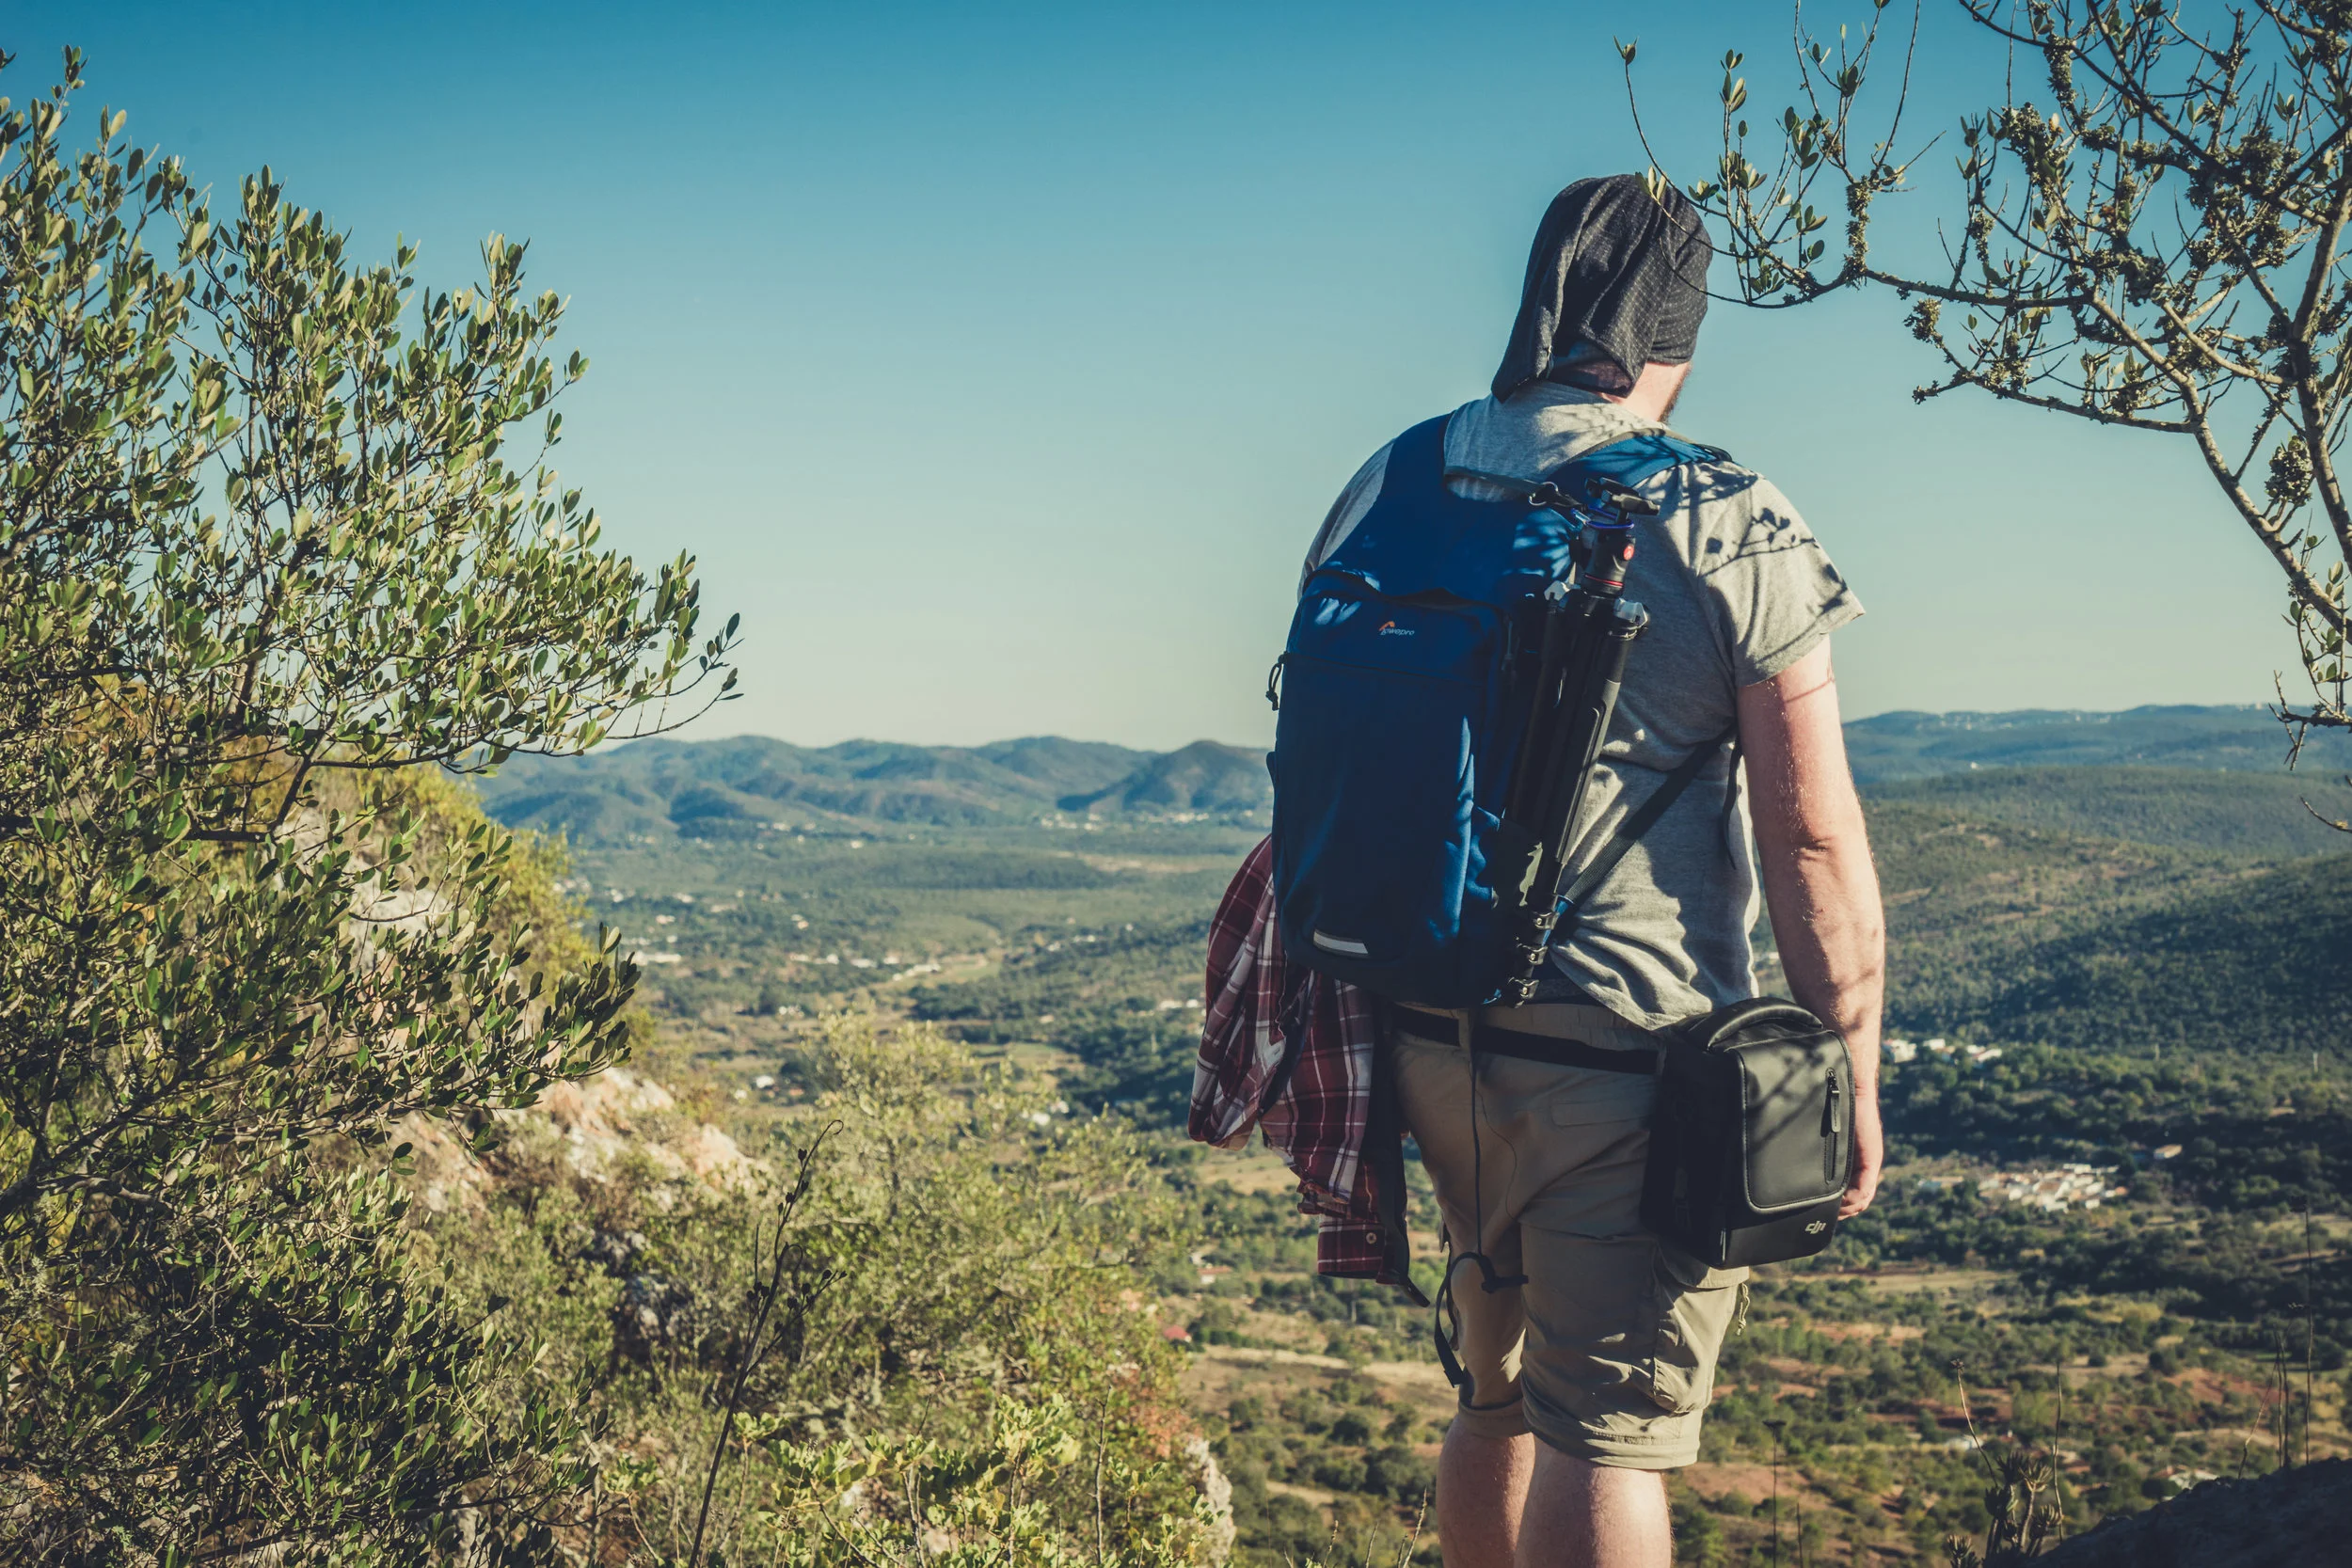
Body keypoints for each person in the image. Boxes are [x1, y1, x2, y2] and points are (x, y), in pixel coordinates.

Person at [1294, 175, 1886, 1568]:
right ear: (1678, 326)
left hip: (1427, 1034)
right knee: (1604, 1433)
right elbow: (1811, 834)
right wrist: (1847, 1058)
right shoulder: (1721, 511)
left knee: (1493, 1394)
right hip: (1623, 1062)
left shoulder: (1392, 475)